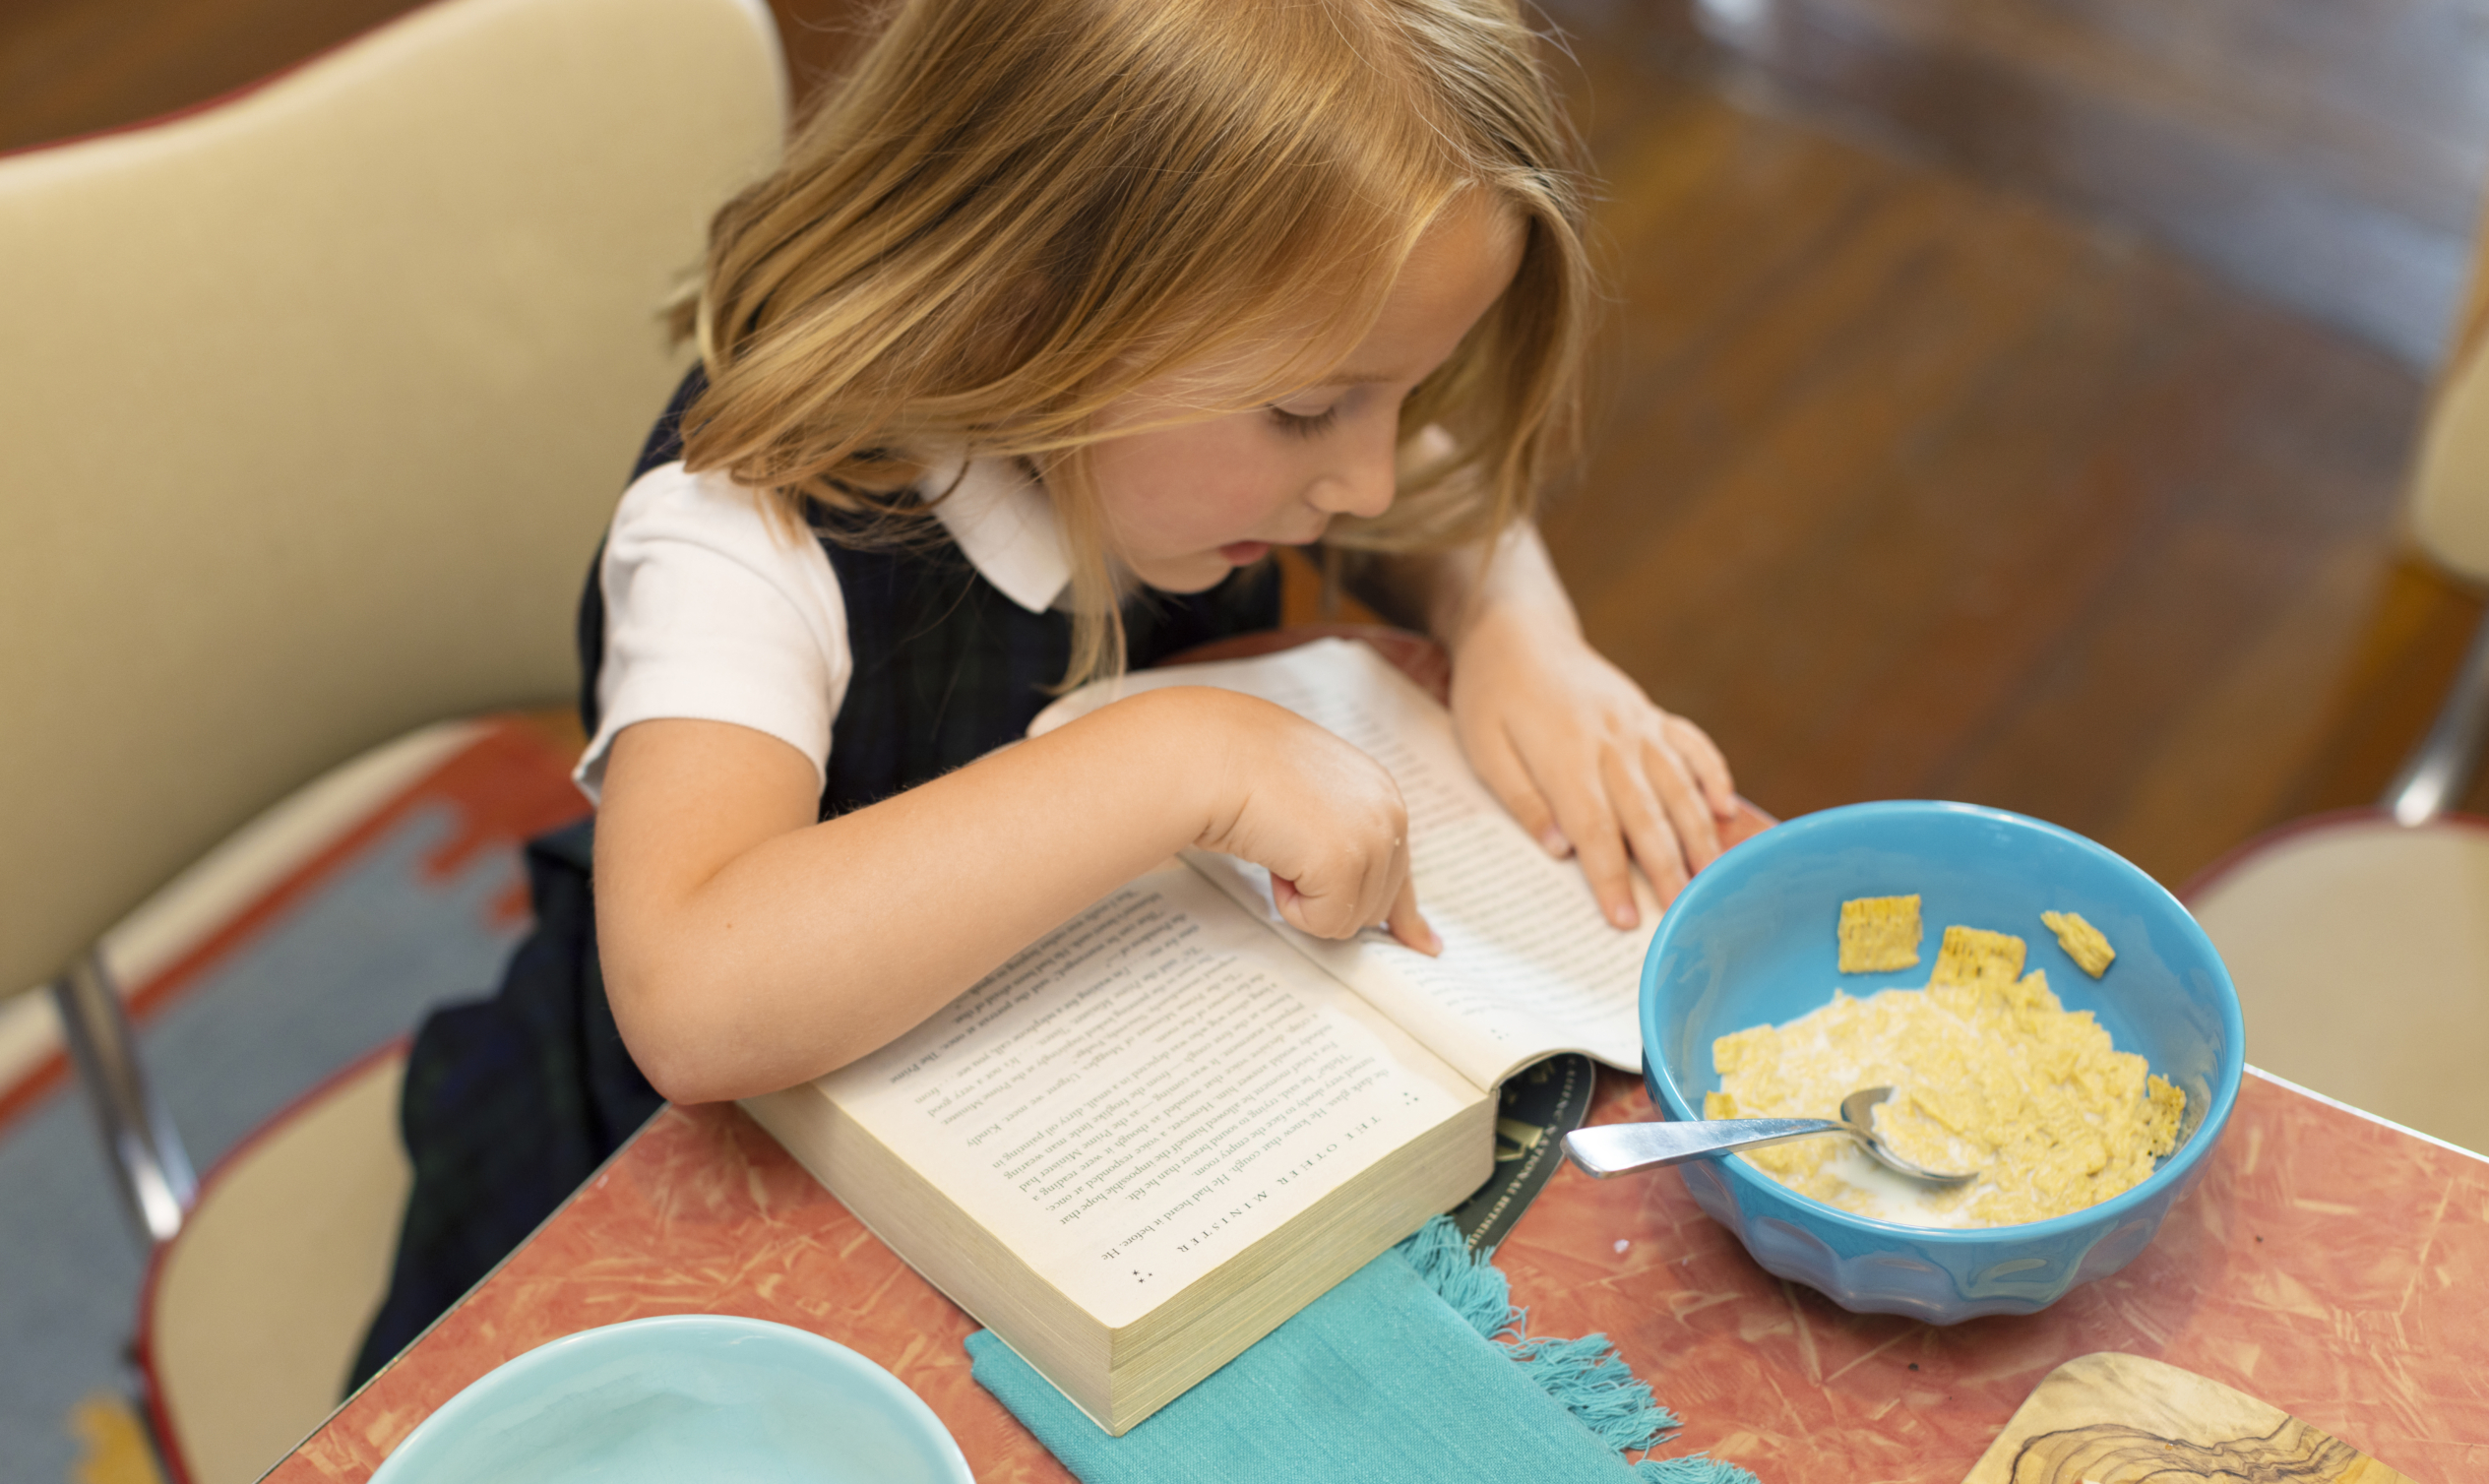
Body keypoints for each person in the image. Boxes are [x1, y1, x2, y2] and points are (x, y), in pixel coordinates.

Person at [350, 0, 1736, 1384]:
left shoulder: (1176, 424)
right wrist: (1173, 755)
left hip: (1066, 1149)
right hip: (678, 1246)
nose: (1365, 483)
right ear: (1032, 299)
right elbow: (692, 997)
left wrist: (1515, 627)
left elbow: (1421, 489)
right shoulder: (742, 536)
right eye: (1312, 412)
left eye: (1401, 392)